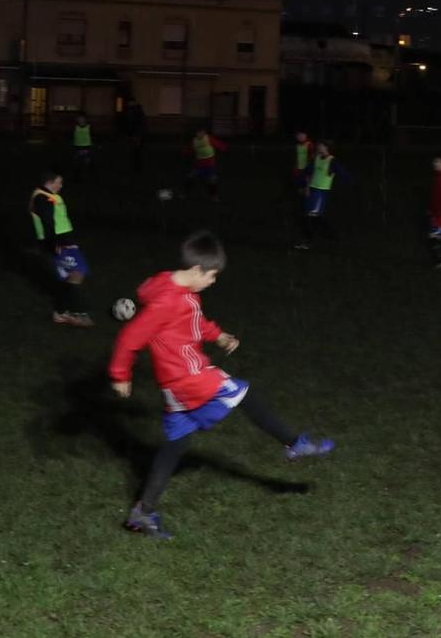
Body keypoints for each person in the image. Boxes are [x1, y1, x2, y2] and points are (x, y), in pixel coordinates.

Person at [108, 231, 335, 541]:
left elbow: (194, 323)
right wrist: (120, 375)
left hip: (174, 386)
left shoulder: (176, 288)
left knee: (176, 445)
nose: (213, 282)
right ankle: (294, 443)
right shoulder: (167, 301)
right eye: (212, 276)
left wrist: (219, 335)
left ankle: (142, 513)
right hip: (189, 377)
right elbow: (129, 338)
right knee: (243, 392)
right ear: (197, 270)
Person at [29, 171, 94, 327]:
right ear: (49, 182)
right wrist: (54, 245)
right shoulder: (43, 198)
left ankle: (62, 311)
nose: (61, 185)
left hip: (65, 242)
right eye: (58, 182)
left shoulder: (47, 196)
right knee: (77, 273)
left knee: (70, 275)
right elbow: (48, 223)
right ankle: (75, 313)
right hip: (60, 243)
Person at [294, 140, 346, 249]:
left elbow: (342, 174)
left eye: (321, 146)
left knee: (313, 218)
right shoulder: (316, 159)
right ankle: (327, 238)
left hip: (321, 193)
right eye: (318, 146)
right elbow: (307, 172)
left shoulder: (332, 161)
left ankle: (330, 237)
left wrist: (350, 183)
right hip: (311, 191)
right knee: (309, 217)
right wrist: (302, 186)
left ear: (327, 148)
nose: (318, 147)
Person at [185, 125, 228, 202]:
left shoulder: (208, 138)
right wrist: (185, 153)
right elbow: (189, 149)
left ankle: (214, 196)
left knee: (212, 180)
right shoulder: (194, 141)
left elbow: (218, 144)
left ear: (204, 133)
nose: (200, 134)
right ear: (196, 133)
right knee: (190, 177)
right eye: (198, 133)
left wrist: (224, 148)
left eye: (202, 132)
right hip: (199, 165)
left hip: (210, 165)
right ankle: (185, 193)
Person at [71, 111, 96, 180]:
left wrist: (94, 145)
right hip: (77, 147)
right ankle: (76, 178)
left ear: (85, 119)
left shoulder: (89, 127)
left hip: (87, 147)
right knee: (77, 164)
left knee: (88, 163)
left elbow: (93, 136)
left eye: (82, 118)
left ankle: (91, 177)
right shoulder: (74, 127)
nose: (80, 120)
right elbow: (71, 136)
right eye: (79, 118)